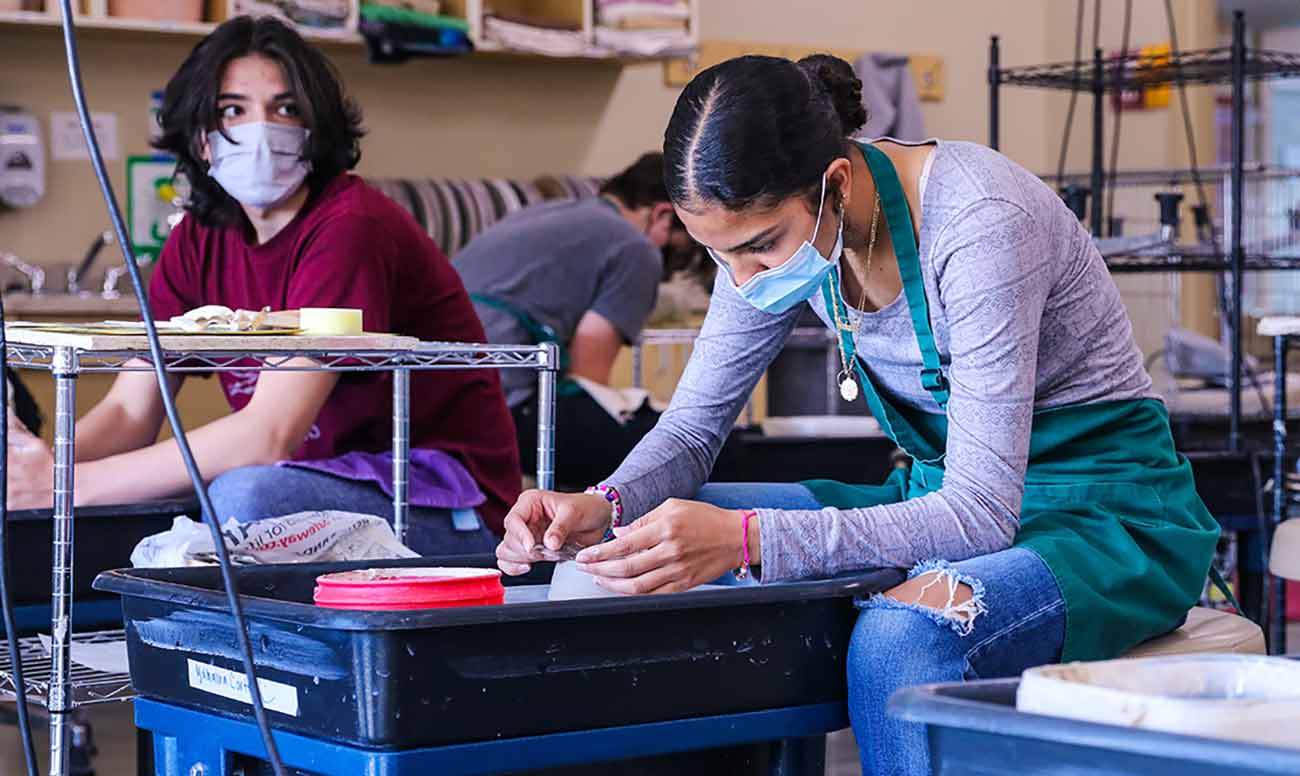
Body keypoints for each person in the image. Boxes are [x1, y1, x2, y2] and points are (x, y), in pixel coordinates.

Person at [495, 54, 1219, 774]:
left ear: (835, 183)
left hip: (1103, 518)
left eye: (759, 247)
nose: (744, 280)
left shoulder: (980, 222)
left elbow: (981, 515)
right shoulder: (768, 245)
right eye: (721, 257)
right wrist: (603, 501)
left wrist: (747, 539)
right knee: (622, 553)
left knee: (901, 638)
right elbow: (690, 431)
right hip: (937, 500)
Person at [6, 16, 520, 555]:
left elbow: (269, 433)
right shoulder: (198, 238)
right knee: (172, 498)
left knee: (241, 499)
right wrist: (38, 470)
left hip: (444, 499)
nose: (260, 129)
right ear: (201, 138)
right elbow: (130, 412)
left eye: (286, 108)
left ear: (314, 129)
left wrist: (67, 485)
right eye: (233, 110)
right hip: (317, 483)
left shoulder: (350, 227)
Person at [454, 153, 679, 489]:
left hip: (439, 397)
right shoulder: (636, 249)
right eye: (688, 247)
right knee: (683, 448)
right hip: (501, 411)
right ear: (664, 215)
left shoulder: (550, 212)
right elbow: (589, 379)